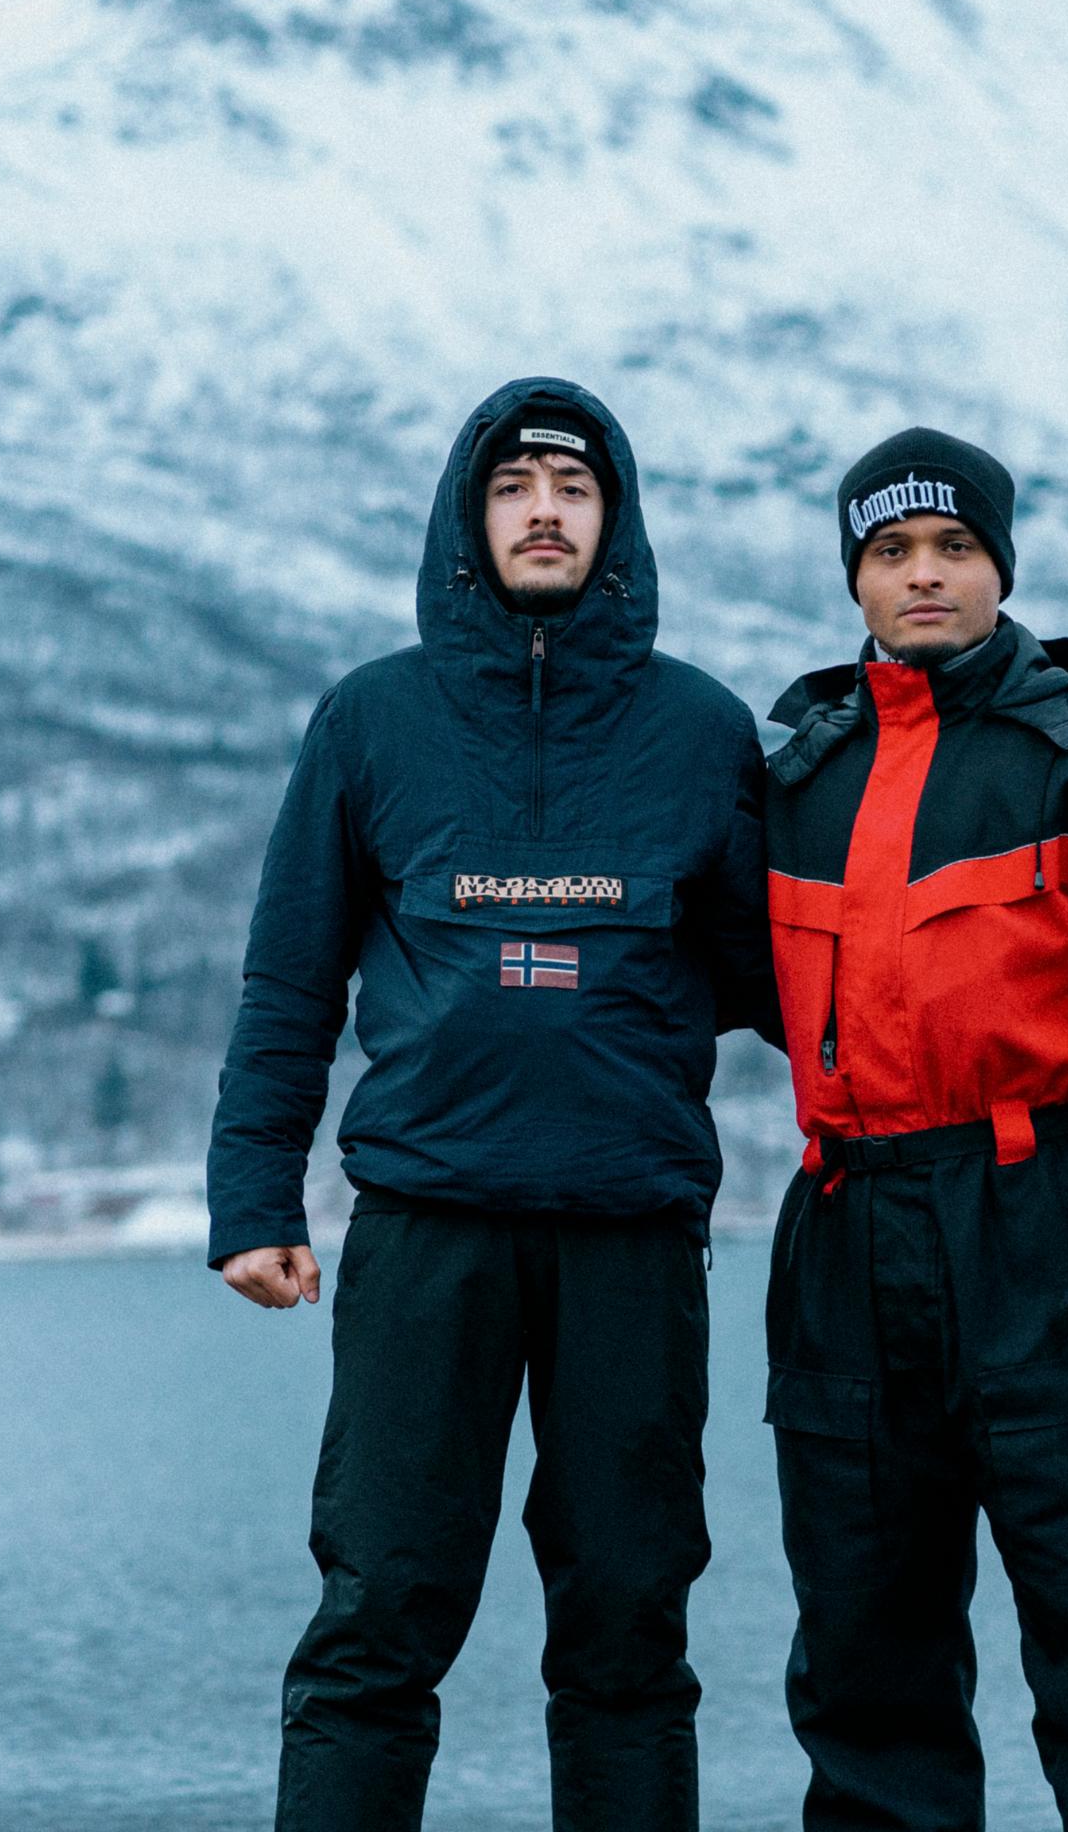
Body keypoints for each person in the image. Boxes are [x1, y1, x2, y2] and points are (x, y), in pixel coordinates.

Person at [205, 377, 774, 1832]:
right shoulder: (372, 721)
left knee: (631, 1627)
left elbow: (788, 983)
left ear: (615, 525)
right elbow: (291, 982)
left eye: (573, 492)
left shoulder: (702, 732)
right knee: (378, 1619)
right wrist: (254, 1200)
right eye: (515, 488)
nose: (543, 512)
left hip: (630, 1235)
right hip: (426, 1230)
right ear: (470, 521)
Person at [757, 427, 1068, 1831]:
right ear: (855, 580)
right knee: (870, 1695)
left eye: (954, 546)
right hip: (847, 1245)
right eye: (890, 552)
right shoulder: (794, 775)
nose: (925, 575)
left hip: (1052, 1237)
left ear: (1000, 564)